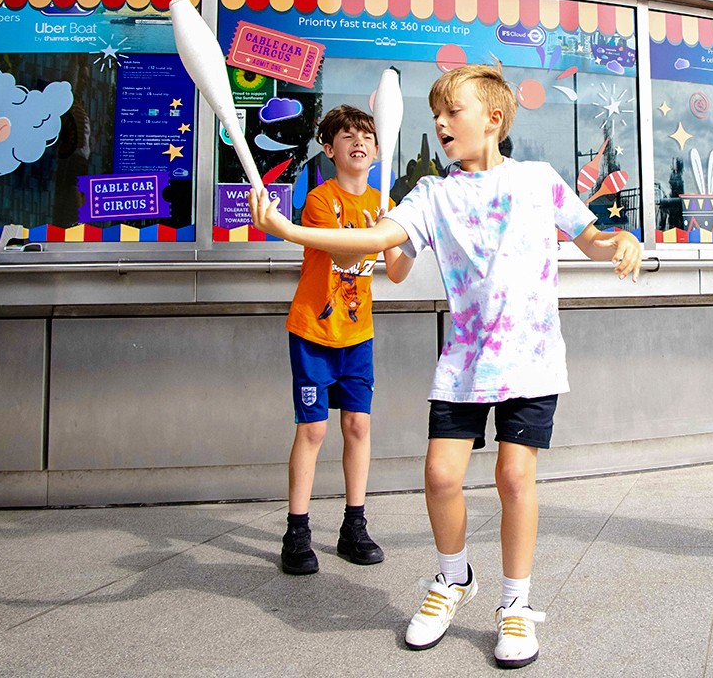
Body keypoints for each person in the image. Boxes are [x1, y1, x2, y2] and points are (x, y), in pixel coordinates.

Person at [250, 63, 642, 668]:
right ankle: (454, 577)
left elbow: (590, 237)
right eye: (435, 114)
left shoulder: (538, 181)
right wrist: (291, 228)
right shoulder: (432, 194)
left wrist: (622, 241)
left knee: (514, 478)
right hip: (463, 363)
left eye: (452, 111)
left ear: (494, 118)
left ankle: (515, 603)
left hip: (531, 361)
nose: (439, 122)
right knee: (439, 476)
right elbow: (382, 247)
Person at [274, 104, 415, 577]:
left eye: (367, 135)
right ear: (330, 148)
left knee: (357, 427)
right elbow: (338, 247)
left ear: (377, 150)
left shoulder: (385, 207)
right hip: (314, 330)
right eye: (347, 135)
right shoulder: (319, 199)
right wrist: (384, 231)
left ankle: (354, 526)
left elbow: (395, 272)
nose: (358, 140)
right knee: (312, 430)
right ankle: (297, 531)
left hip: (358, 335)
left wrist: (410, 237)